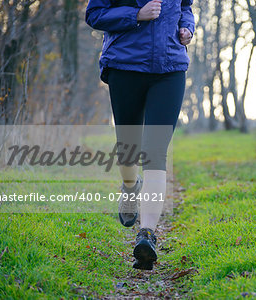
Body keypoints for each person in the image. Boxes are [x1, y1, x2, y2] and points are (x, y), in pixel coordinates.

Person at [85, 0, 195, 270]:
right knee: (129, 148)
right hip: (126, 66)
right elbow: (94, 14)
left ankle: (146, 234)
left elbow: (186, 8)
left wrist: (186, 29)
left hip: (170, 69)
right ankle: (130, 187)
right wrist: (136, 15)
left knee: (155, 152)